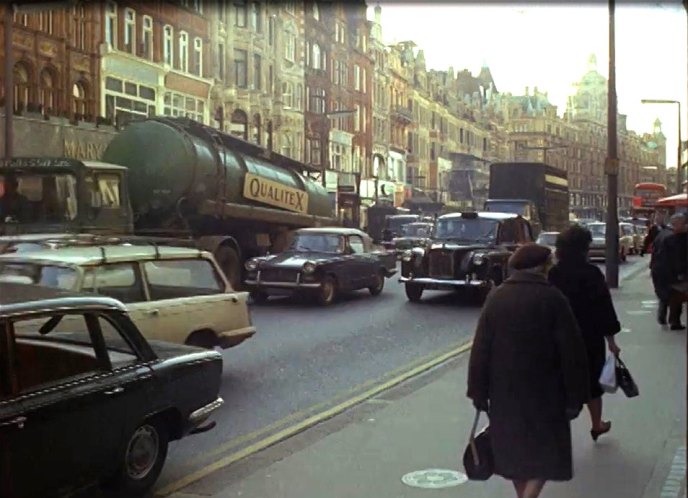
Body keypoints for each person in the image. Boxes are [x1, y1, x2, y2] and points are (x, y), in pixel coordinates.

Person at [467, 243, 589, 498]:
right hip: (546, 391)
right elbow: (572, 352)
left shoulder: (497, 297)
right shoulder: (553, 298)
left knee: (514, 454)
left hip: (504, 390)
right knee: (546, 453)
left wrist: (478, 391)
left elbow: (481, 348)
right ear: (543, 267)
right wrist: (575, 396)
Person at [548, 225, 622, 442]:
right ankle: (596, 424)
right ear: (584, 248)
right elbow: (604, 309)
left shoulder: (553, 274)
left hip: (559, 338)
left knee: (561, 382)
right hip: (589, 337)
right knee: (593, 383)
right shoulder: (592, 274)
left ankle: (558, 431)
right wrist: (612, 341)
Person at [651, 212, 686, 329]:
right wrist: (680, 273)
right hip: (671, 273)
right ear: (677, 224)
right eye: (684, 223)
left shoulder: (662, 234)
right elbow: (676, 258)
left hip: (659, 270)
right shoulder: (673, 237)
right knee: (676, 297)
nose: (686, 226)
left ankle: (663, 315)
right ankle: (674, 322)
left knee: (666, 295)